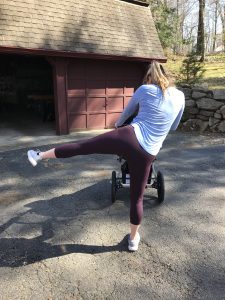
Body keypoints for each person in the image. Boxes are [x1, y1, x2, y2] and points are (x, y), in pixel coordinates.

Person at [27, 61, 185, 252]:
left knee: (81, 146)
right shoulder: (180, 96)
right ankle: (133, 240)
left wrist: (117, 127)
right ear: (169, 76)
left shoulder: (145, 89)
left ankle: (39, 155)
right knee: (137, 199)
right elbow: (174, 126)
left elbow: (125, 115)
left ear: (150, 77)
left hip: (128, 137)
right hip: (148, 153)